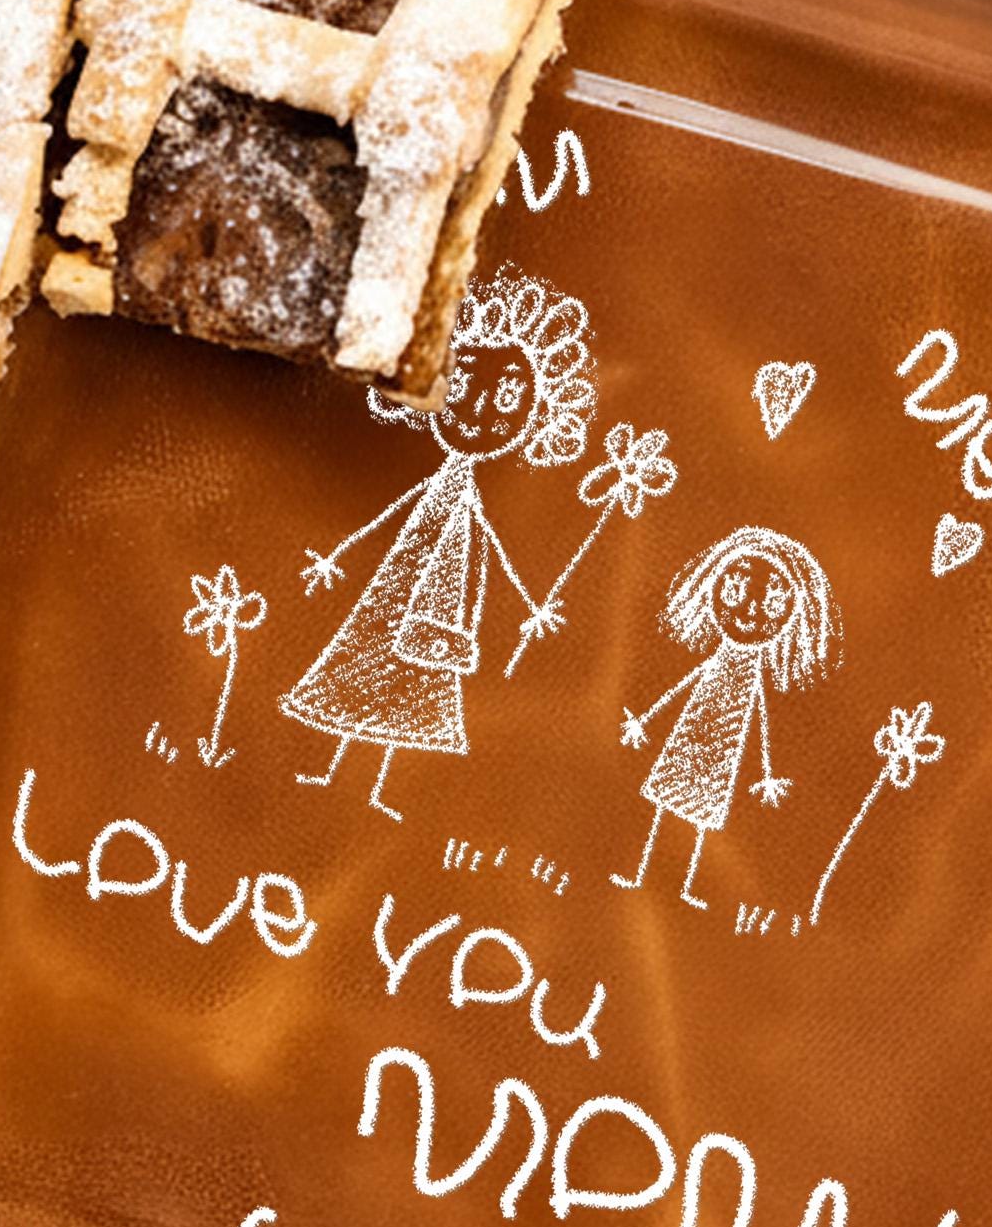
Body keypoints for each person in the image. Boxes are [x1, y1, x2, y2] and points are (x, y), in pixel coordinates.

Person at [281, 270, 595, 819]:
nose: (479, 408)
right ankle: (329, 768)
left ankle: (374, 786)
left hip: (440, 603)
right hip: (400, 585)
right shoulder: (438, 486)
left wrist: (527, 602)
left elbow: (487, 545)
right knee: (370, 667)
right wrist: (337, 554)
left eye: (508, 399)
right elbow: (393, 516)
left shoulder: (470, 498)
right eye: (468, 383)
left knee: (407, 692)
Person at [613, 526, 842, 908]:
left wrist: (766, 771)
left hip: (723, 743)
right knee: (667, 801)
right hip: (696, 730)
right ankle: (641, 872)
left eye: (771, 604)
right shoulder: (721, 661)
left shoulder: (749, 673)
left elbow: (759, 715)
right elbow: (688, 683)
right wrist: (645, 720)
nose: (750, 611)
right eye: (735, 591)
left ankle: (683, 885)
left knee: (701, 812)